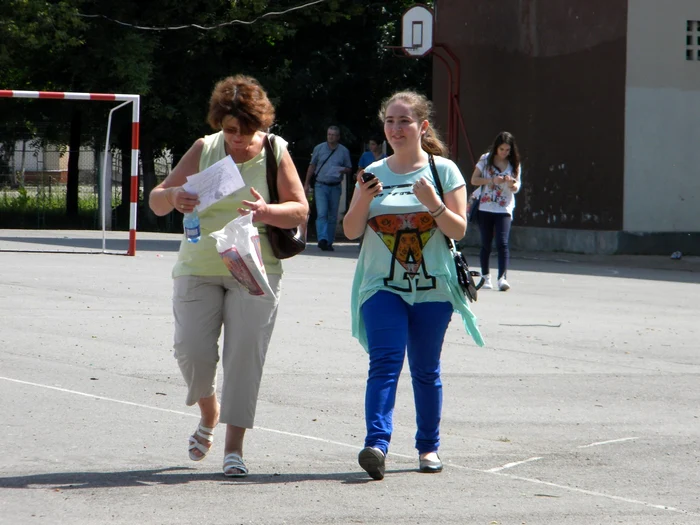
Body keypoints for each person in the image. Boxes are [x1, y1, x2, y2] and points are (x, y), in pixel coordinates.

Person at [148, 75, 308, 478]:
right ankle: (209, 411)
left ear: (261, 125)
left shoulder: (275, 150)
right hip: (198, 266)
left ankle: (234, 449)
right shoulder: (205, 147)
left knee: (243, 359)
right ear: (220, 122)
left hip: (255, 268)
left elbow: (300, 210)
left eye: (247, 130)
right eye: (230, 129)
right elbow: (156, 201)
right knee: (191, 351)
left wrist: (266, 212)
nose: (238, 139)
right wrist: (172, 196)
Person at [343, 90, 485, 481]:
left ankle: (428, 446)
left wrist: (433, 203)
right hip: (380, 286)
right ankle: (376, 444)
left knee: (425, 369)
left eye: (404, 121)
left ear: (422, 127)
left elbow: (458, 229)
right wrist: (360, 197)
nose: (395, 128)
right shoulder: (373, 172)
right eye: (389, 121)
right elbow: (352, 230)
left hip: (433, 288)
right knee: (385, 362)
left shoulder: (445, 171)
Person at [470, 131, 522, 291]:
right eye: (502, 150)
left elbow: (517, 186)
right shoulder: (485, 159)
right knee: (486, 243)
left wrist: (511, 184)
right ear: (496, 148)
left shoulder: (515, 163)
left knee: (502, 242)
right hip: (485, 206)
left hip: (504, 207)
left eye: (507, 150)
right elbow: (474, 180)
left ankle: (502, 278)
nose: (505, 153)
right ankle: (486, 277)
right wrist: (492, 180)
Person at [304, 126, 352, 251]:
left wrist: (341, 169)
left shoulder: (343, 151)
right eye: (329, 134)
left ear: (338, 137)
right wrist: (306, 183)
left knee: (333, 216)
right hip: (321, 185)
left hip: (335, 186)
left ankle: (329, 241)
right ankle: (322, 239)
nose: (331, 137)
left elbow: (349, 168)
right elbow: (312, 165)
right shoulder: (319, 148)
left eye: (333, 135)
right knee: (322, 213)